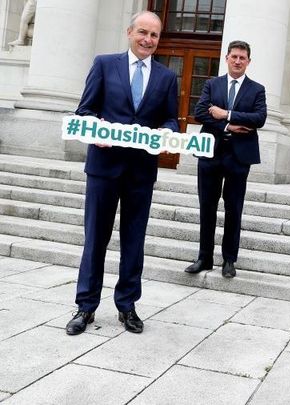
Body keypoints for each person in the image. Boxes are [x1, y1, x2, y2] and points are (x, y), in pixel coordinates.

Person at [65, 11, 178, 335]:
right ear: (130, 32)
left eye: (154, 35)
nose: (148, 40)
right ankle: (85, 307)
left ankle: (127, 306)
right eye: (143, 32)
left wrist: (166, 134)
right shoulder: (104, 64)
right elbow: (85, 111)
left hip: (141, 172)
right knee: (95, 239)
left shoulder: (166, 77)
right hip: (103, 168)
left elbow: (170, 119)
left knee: (134, 241)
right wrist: (95, 129)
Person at [184, 40, 266, 278]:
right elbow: (200, 113)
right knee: (206, 207)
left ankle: (229, 259)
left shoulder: (257, 89)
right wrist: (230, 124)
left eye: (242, 58)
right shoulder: (212, 84)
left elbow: (259, 117)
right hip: (211, 154)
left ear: (248, 61)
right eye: (234, 57)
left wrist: (224, 113)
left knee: (234, 208)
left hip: (239, 158)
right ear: (227, 58)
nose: (238, 61)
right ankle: (204, 257)